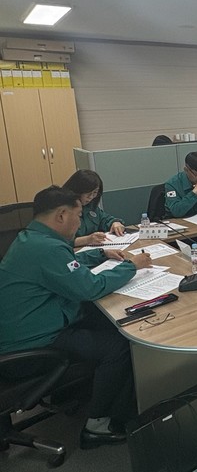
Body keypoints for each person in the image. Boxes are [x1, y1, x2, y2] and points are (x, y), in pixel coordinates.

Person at [0, 187, 153, 448]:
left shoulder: (32, 239)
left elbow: (67, 264)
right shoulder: (46, 248)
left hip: (27, 330)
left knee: (109, 322)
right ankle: (97, 426)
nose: (80, 222)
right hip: (31, 348)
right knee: (118, 345)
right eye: (78, 215)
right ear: (61, 215)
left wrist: (100, 253)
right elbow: (89, 288)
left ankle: (94, 395)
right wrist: (131, 266)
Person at [63, 169, 125, 248]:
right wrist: (87, 239)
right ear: (77, 190)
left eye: (95, 192)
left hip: (95, 249)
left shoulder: (90, 206)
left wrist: (115, 223)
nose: (91, 197)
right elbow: (58, 241)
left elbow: (104, 219)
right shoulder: (62, 209)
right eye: (88, 193)